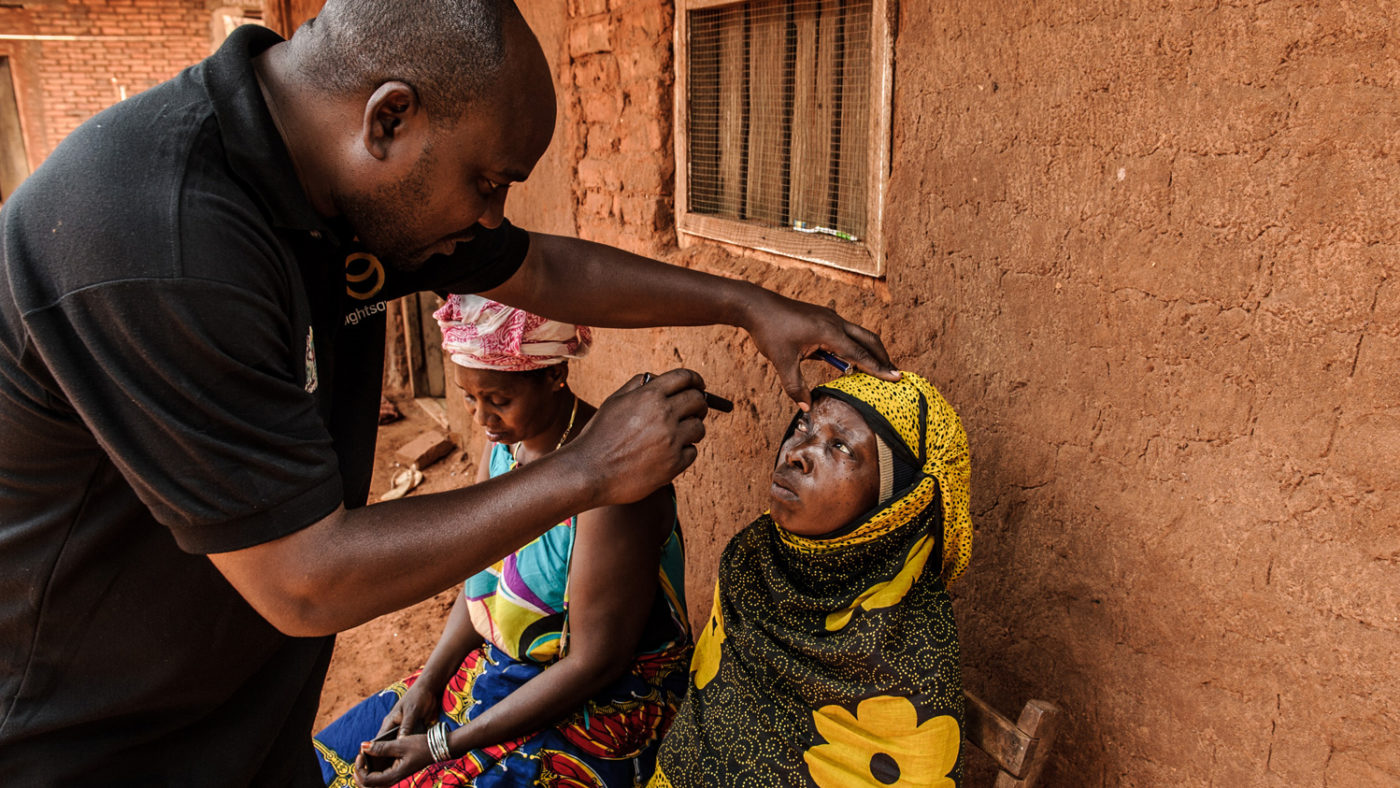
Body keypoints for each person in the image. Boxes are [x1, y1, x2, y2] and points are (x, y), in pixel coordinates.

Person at [0, 1, 897, 784]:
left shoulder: (344, 187)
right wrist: (588, 469)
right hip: (92, 741)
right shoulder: (159, 245)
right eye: (488, 182)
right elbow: (305, 581)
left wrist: (750, 303)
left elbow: (541, 266)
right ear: (389, 118)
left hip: (237, 713)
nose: (491, 217)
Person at [313, 295, 691, 787]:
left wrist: (439, 746)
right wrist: (428, 683)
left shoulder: (615, 483)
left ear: (555, 375)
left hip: (598, 710)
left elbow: (595, 664)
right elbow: (483, 580)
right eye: (469, 398)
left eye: (499, 400)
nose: (481, 419)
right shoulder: (505, 450)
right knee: (326, 760)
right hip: (504, 673)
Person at [648, 372, 972, 788]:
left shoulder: (912, 643)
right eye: (803, 427)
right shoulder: (754, 560)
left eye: (840, 446)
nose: (797, 453)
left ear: (897, 503)